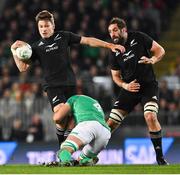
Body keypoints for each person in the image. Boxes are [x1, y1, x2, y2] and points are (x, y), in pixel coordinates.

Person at [10, 10, 124, 149]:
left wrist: (109, 45)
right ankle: (62, 145)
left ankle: (64, 150)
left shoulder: (64, 36)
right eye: (41, 27)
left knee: (70, 121)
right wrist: (13, 51)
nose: (44, 29)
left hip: (70, 84)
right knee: (58, 117)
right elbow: (22, 68)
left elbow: (87, 41)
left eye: (46, 26)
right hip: (52, 87)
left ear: (53, 25)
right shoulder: (36, 47)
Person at [107, 17, 168, 165]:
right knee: (109, 124)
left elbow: (160, 50)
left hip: (148, 85)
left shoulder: (138, 37)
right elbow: (115, 76)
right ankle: (89, 156)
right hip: (129, 88)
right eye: (110, 31)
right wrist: (125, 86)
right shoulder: (114, 50)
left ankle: (160, 158)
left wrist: (153, 60)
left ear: (124, 30)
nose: (112, 34)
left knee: (150, 116)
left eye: (115, 30)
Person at [54, 95, 111, 166]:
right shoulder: (95, 102)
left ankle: (67, 162)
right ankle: (87, 159)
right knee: (82, 160)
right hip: (105, 132)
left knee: (64, 149)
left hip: (88, 124)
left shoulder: (73, 98)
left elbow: (57, 118)